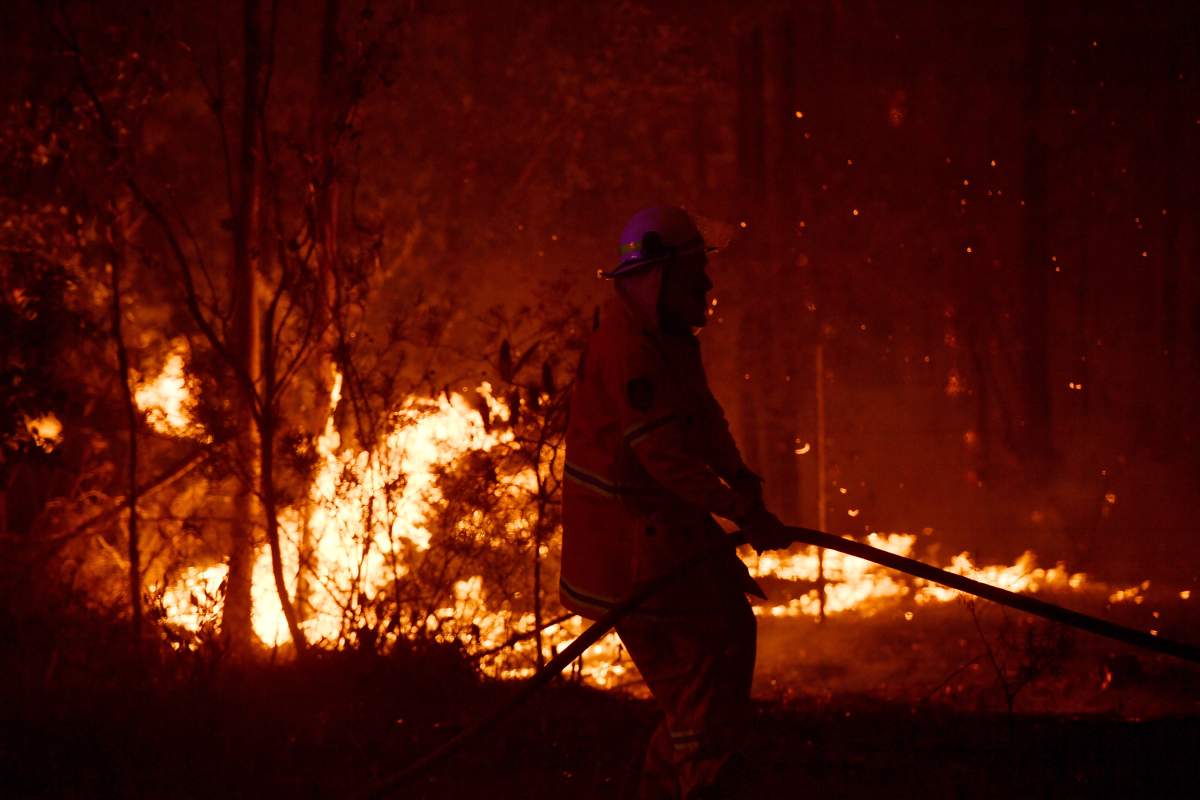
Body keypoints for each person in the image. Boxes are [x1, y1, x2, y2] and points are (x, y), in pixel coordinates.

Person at [559, 207, 792, 799]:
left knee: (723, 649)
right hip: (632, 558)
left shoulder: (668, 341)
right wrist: (741, 512)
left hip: (666, 542)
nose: (707, 287)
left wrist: (741, 480)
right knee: (699, 683)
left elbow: (702, 419)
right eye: (695, 274)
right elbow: (663, 458)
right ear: (656, 278)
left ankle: (679, 779)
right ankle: (703, 780)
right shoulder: (628, 351)